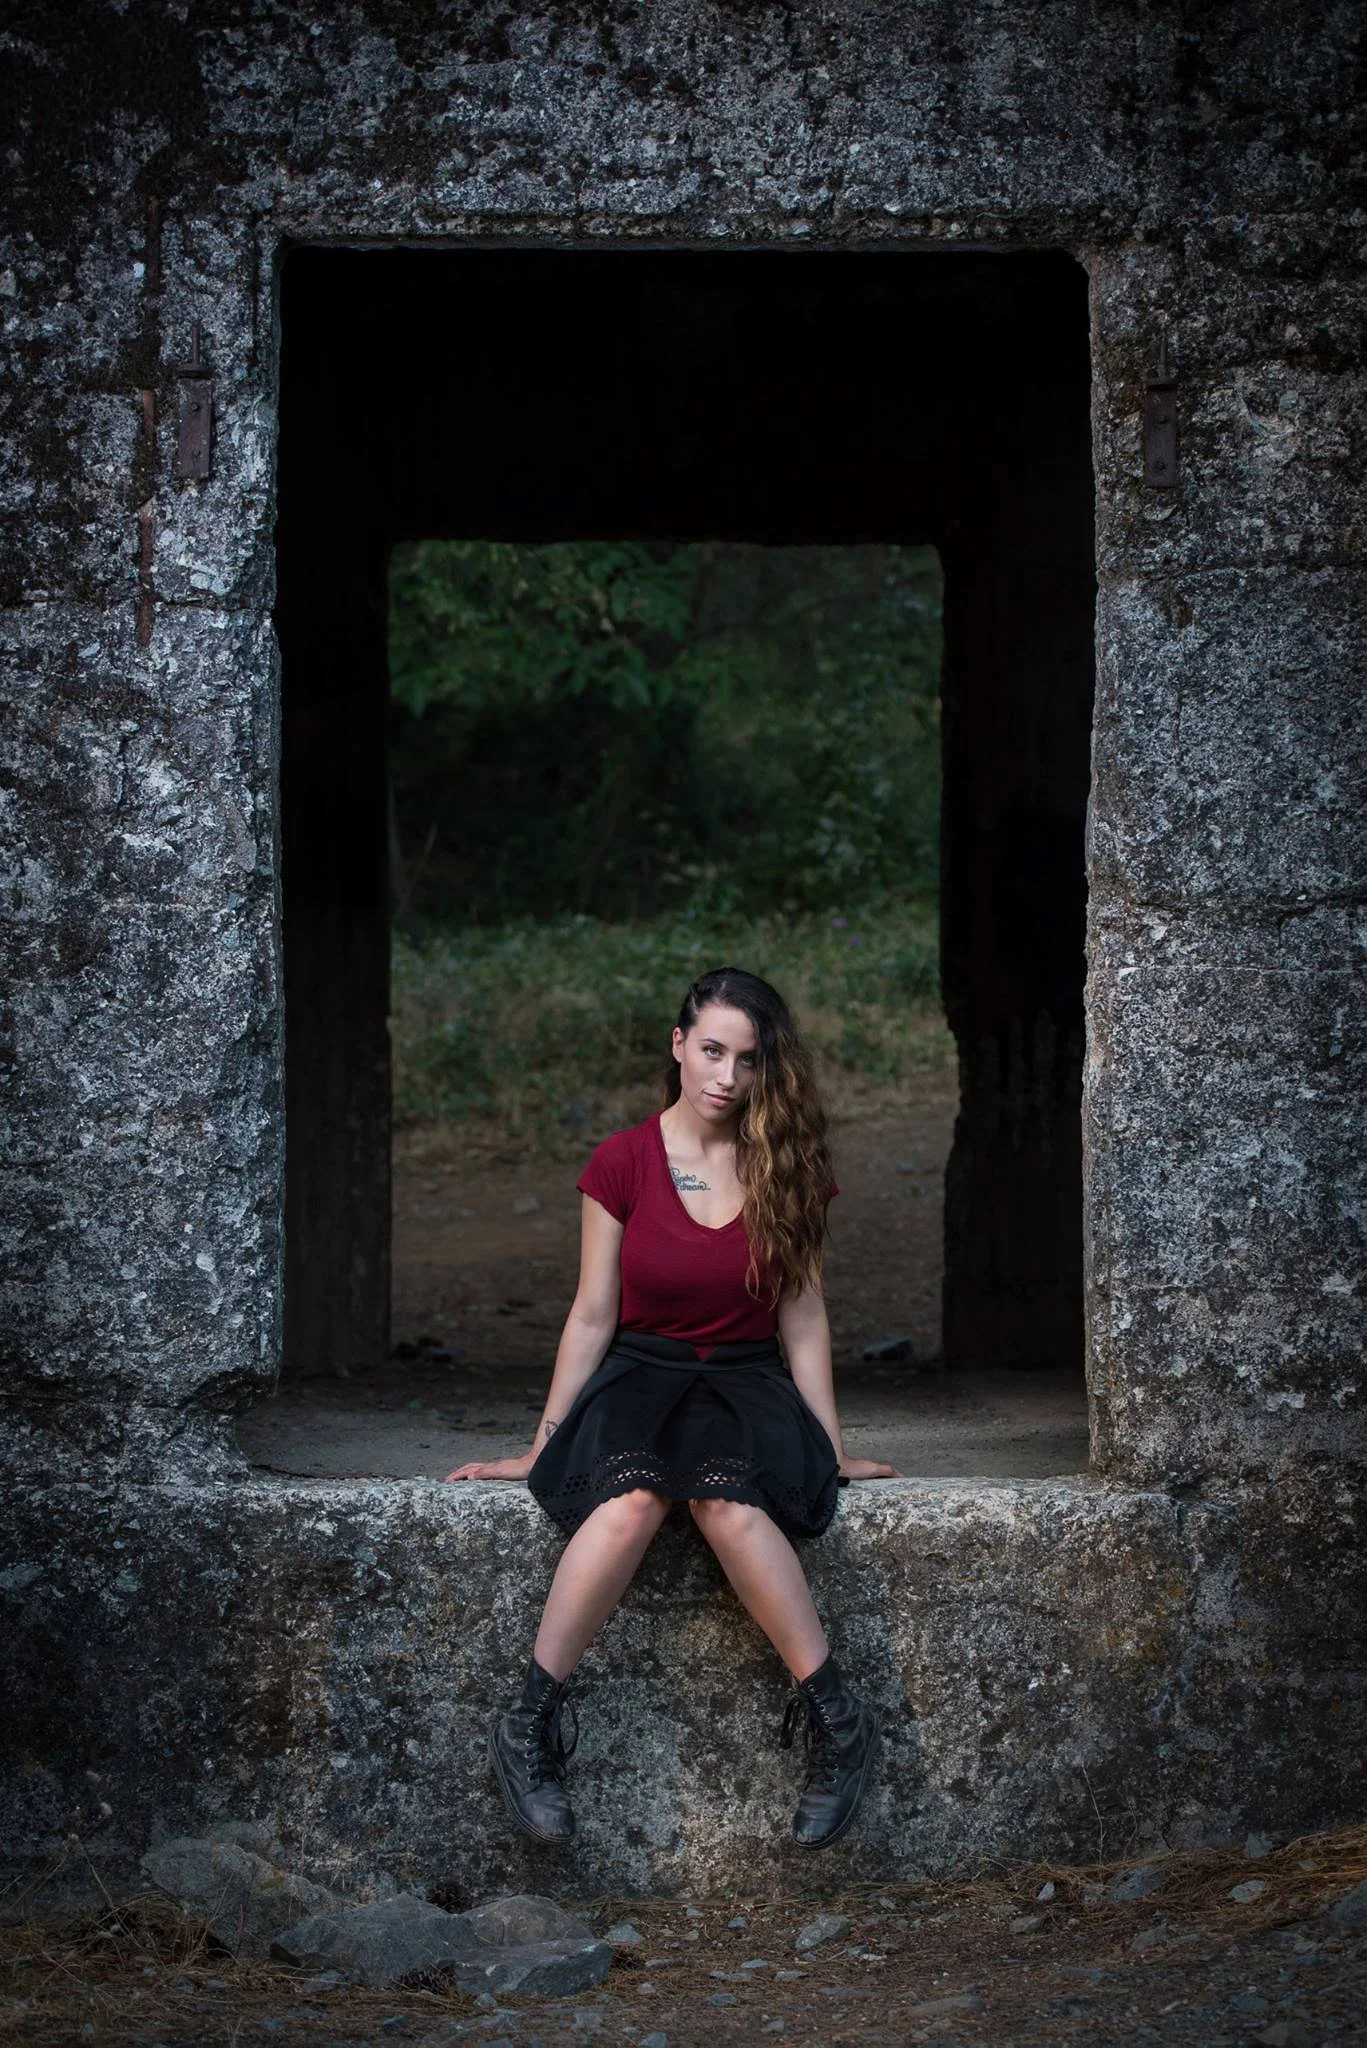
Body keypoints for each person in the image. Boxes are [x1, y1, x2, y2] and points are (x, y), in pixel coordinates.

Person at [444, 966, 899, 1850]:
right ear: (679, 1046)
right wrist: (540, 1447)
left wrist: (826, 1446)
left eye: (748, 1059)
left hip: (745, 1379)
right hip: (640, 1376)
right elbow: (591, 1313)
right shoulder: (620, 1162)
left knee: (727, 1499)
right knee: (631, 1502)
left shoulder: (790, 1165)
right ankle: (527, 1725)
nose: (726, 1077)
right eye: (712, 1051)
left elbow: (802, 1317)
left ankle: (840, 1726)